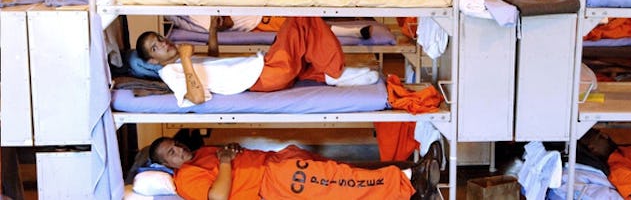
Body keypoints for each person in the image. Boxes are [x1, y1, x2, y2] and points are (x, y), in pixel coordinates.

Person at [136, 17, 378, 100]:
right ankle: (336, 72)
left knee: (302, 49)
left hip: (260, 69)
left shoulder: (177, 63)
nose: (163, 42)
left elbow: (213, 62)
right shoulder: (169, 72)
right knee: (302, 19)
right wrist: (187, 59)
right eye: (156, 47)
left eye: (159, 37)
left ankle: (331, 74)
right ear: (153, 62)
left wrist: (212, 30)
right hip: (262, 76)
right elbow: (196, 97)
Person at [147, 137, 442, 200]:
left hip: (274, 162)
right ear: (166, 165)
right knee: (337, 181)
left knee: (339, 174)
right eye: (171, 153)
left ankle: (411, 174)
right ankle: (411, 180)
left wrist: (232, 151)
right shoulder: (185, 178)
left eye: (175, 144)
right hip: (270, 181)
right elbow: (217, 198)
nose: (179, 150)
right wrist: (225, 161)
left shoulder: (200, 153)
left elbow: (232, 158)